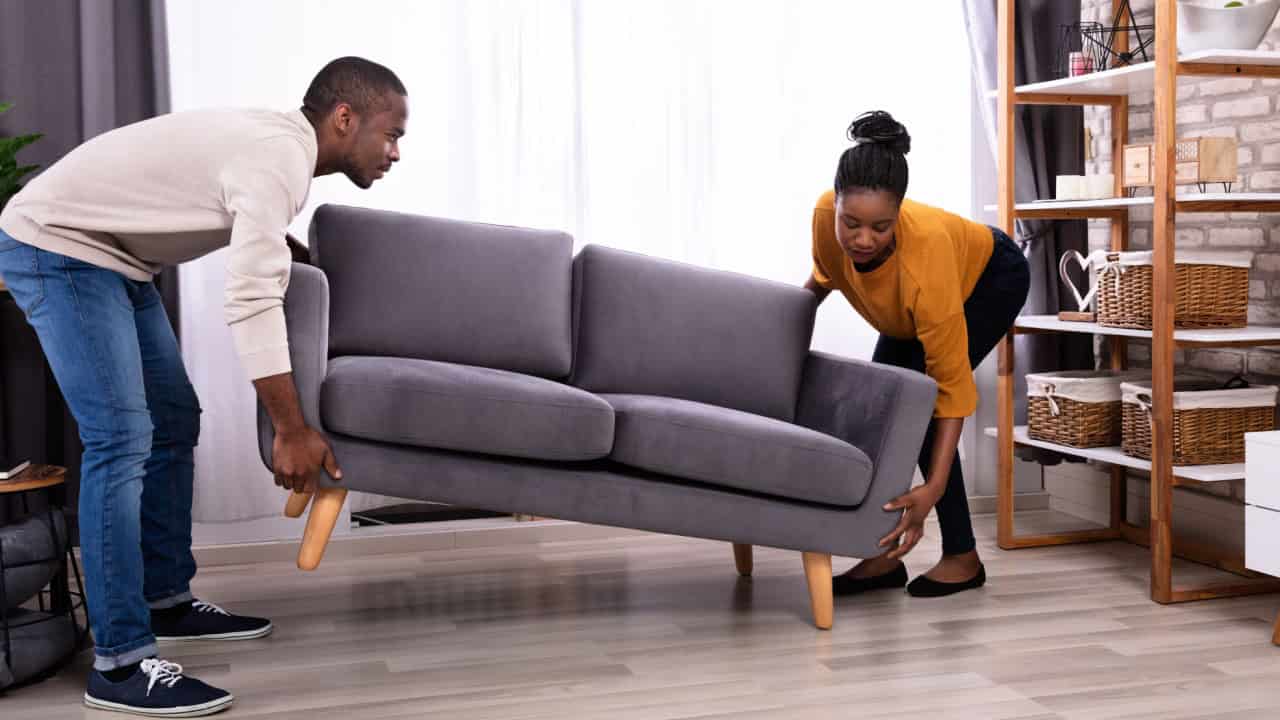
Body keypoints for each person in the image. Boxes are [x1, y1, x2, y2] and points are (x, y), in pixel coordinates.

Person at [0, 56, 407, 716]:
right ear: (344, 118)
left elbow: (237, 214)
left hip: (117, 259)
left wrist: (281, 246)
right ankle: (121, 664)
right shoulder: (278, 158)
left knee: (173, 417)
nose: (394, 152)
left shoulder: (278, 149)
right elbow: (249, 299)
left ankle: (166, 600)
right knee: (121, 438)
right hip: (59, 247)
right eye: (392, 134)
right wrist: (292, 430)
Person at [805, 111, 1029, 599]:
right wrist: (774, 335)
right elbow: (820, 283)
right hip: (910, 310)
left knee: (920, 413)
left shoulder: (925, 266)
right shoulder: (825, 218)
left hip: (990, 278)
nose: (863, 240)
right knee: (879, 411)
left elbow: (950, 392)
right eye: (852, 223)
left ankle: (963, 557)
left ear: (900, 215)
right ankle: (882, 555)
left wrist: (932, 489)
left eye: (881, 227)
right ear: (836, 204)